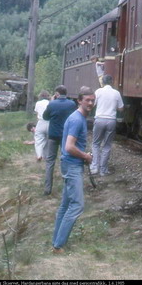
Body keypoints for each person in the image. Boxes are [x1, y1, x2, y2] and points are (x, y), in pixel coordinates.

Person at [51, 86, 95, 253]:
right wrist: (85, 156)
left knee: (66, 205)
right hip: (72, 165)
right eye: (87, 100)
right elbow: (69, 147)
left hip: (69, 164)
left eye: (92, 100)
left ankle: (56, 242)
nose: (90, 103)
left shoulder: (78, 117)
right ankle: (58, 245)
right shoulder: (77, 120)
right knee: (77, 205)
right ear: (79, 100)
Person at [43, 85, 77, 196]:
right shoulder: (71, 104)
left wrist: (52, 101)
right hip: (65, 137)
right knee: (65, 160)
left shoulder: (52, 104)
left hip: (52, 136)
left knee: (50, 161)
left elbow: (45, 117)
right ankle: (66, 188)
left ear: (57, 94)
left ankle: (47, 189)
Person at [90, 75, 124, 177]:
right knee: (107, 145)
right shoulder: (116, 93)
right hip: (111, 121)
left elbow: (93, 104)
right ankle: (103, 170)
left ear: (103, 82)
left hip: (100, 119)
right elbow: (121, 108)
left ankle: (95, 167)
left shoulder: (98, 92)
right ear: (112, 82)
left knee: (96, 143)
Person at [33, 90, 50, 161]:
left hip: (41, 122)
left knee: (39, 140)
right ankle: (46, 156)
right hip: (49, 123)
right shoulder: (50, 103)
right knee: (48, 141)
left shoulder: (38, 103)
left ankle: (39, 155)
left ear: (40, 96)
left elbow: (37, 114)